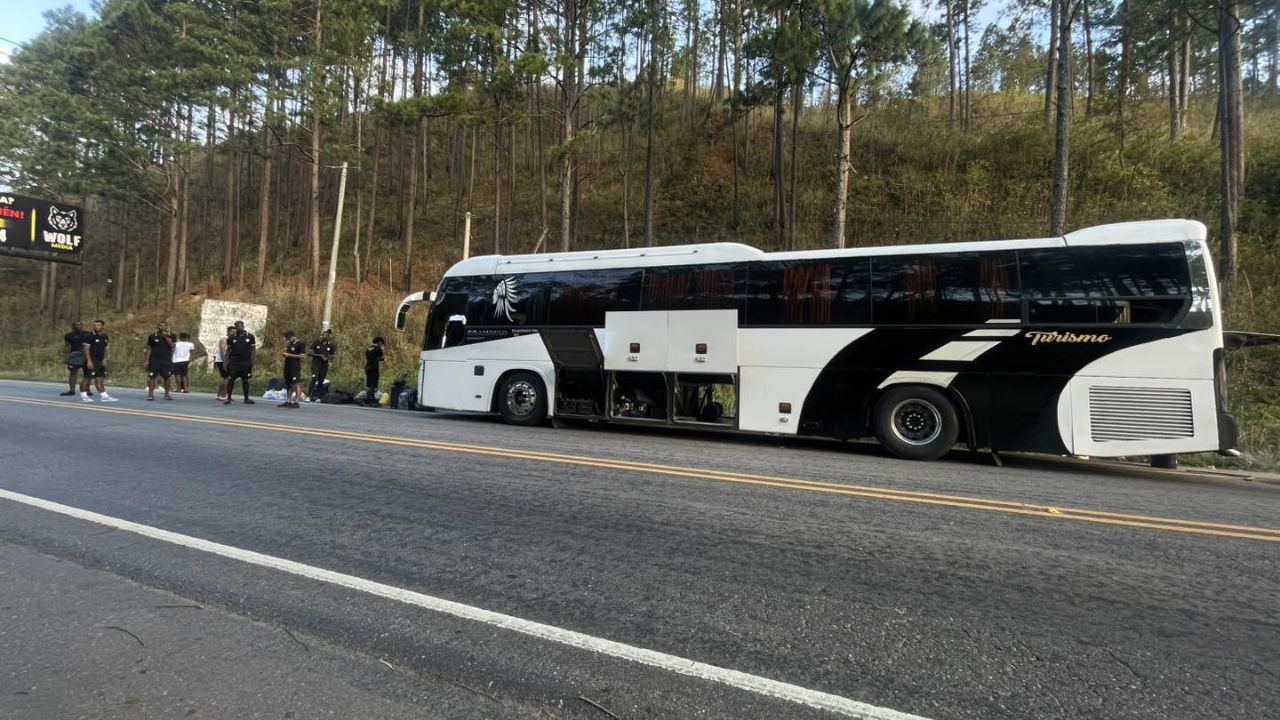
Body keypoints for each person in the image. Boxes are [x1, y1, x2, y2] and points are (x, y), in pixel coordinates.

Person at [81, 319, 118, 403]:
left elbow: (105, 349)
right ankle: (83, 396)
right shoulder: (89, 336)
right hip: (91, 360)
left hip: (100, 361)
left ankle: (104, 396)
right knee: (87, 378)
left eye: (98, 325)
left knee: (100, 378)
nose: (96, 326)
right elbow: (86, 349)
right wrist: (89, 361)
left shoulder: (104, 336)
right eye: (95, 325)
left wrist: (105, 359)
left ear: (103, 326)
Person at [223, 320, 256, 405]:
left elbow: (253, 350)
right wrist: (225, 362)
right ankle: (228, 398)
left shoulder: (250, 336)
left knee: (245, 380)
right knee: (231, 380)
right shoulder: (231, 338)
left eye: (241, 326)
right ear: (235, 327)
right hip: (234, 363)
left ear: (243, 326)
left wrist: (252, 361)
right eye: (237, 326)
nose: (239, 327)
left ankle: (246, 398)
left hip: (246, 362)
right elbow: (228, 351)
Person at [144, 321, 176, 401]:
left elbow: (173, 346)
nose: (162, 327)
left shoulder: (172, 335)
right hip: (154, 359)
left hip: (166, 360)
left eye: (164, 325)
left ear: (166, 326)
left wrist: (166, 337)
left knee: (167, 377)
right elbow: (149, 348)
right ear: (158, 327)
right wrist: (147, 360)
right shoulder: (152, 336)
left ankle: (167, 394)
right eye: (160, 325)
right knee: (152, 377)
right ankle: (150, 394)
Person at [61, 321, 90, 397]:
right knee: (73, 372)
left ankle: (87, 390)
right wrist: (66, 357)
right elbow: (67, 346)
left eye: (81, 324)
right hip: (75, 355)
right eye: (77, 324)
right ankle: (72, 390)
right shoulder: (69, 335)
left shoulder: (88, 334)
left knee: (87, 373)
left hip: (86, 354)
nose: (79, 326)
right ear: (73, 326)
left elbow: (91, 345)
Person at [307, 329, 336, 402]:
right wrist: (320, 355)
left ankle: (318, 397)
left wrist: (327, 357)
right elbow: (309, 353)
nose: (323, 337)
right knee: (314, 378)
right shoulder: (316, 343)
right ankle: (308, 396)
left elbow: (333, 355)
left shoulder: (331, 345)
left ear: (328, 337)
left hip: (324, 365)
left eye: (325, 336)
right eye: (322, 335)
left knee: (321, 381)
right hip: (316, 364)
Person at [280, 330, 306, 409]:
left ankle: (297, 401)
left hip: (295, 366)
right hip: (288, 366)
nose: (289, 340)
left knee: (296, 383)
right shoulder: (290, 344)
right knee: (288, 383)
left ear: (293, 336)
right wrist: (285, 355)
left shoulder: (300, 344)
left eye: (289, 338)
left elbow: (302, 356)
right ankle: (288, 400)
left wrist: (289, 355)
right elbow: (289, 354)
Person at [213, 325, 234, 401]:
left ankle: (219, 395)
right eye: (231, 331)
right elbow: (223, 351)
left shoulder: (230, 339)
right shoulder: (224, 339)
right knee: (227, 378)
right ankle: (224, 395)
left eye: (234, 332)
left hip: (224, 361)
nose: (233, 333)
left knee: (224, 377)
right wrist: (224, 362)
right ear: (227, 331)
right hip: (222, 361)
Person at [363, 336, 385, 406]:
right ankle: (370, 399)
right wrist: (380, 358)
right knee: (372, 385)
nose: (381, 344)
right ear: (379, 342)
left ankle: (369, 398)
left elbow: (369, 357)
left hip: (367, 367)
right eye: (381, 343)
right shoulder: (378, 349)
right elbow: (381, 358)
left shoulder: (368, 348)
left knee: (369, 383)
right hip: (374, 368)